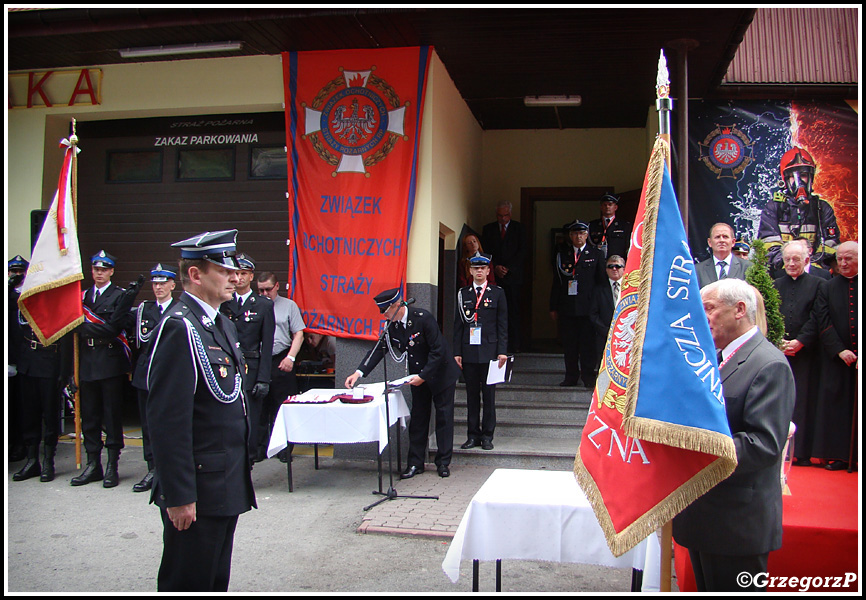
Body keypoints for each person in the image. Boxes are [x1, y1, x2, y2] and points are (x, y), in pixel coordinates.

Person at [146, 229, 256, 592]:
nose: (234, 277)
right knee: (188, 581)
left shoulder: (219, 322)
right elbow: (167, 421)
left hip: (225, 481)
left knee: (213, 581)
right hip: (198, 487)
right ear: (195, 275)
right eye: (224, 271)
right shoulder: (180, 327)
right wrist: (179, 496)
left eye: (235, 271)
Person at [672, 278, 795, 592]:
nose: (703, 317)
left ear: (740, 310)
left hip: (736, 525)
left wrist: (693, 446)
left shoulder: (768, 364)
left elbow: (764, 444)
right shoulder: (718, 357)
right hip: (708, 516)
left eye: (709, 309)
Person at [345, 288, 460, 478]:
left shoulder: (423, 318)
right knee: (418, 418)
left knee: (444, 418)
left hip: (440, 374)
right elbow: (378, 350)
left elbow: (437, 351)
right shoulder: (393, 327)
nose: (384, 315)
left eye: (385, 311)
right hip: (418, 378)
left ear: (397, 305)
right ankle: (415, 463)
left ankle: (443, 462)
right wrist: (358, 373)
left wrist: (423, 376)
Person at [72, 251, 141, 488]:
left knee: (111, 416)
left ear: (111, 271)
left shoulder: (120, 295)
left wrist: (81, 328)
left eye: (104, 270)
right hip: (87, 361)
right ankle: (93, 464)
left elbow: (113, 328)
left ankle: (112, 464)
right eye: (95, 269)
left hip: (110, 362)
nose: (99, 273)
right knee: (89, 416)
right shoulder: (81, 297)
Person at [129, 264, 179, 492]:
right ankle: (152, 468)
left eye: (163, 283)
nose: (158, 287)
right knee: (148, 425)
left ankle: (168, 467)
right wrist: (131, 293)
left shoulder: (179, 310)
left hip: (170, 376)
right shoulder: (143, 310)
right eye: (155, 283)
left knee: (169, 424)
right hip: (146, 374)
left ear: (172, 285)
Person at [220, 253, 274, 466]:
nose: (239, 278)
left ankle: (248, 461)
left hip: (251, 369)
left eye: (243, 273)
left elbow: (267, 345)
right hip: (227, 368)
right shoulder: (224, 302)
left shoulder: (263, 305)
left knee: (251, 419)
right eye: (235, 273)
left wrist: (264, 378)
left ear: (251, 276)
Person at [773, 242, 824, 466]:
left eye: (796, 259)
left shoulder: (819, 285)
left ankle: (802, 452)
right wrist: (779, 342)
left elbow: (817, 317)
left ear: (806, 260)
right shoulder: (775, 284)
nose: (791, 264)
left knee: (804, 400)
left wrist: (801, 341)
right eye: (788, 260)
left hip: (807, 353)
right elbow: (772, 315)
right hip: (780, 351)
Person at [810, 241, 858, 471]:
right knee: (838, 407)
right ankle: (840, 455)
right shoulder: (828, 288)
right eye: (840, 259)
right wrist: (840, 350)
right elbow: (823, 321)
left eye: (849, 258)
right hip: (838, 357)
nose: (844, 263)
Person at [453, 253, 508, 451]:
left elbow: (502, 324)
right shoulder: (463, 294)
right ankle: (472, 435)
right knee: (471, 396)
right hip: (468, 351)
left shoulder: (497, 293)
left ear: (487, 271)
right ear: (470, 270)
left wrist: (502, 351)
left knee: (489, 395)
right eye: (475, 268)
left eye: (482, 268)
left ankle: (487, 436)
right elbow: (458, 325)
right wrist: (457, 351)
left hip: (490, 351)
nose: (478, 271)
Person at [758, 146, 839, 274]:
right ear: (785, 180)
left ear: (811, 178)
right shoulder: (774, 207)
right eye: (792, 177)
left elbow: (830, 246)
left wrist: (809, 268)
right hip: (783, 274)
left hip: (814, 274)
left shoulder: (822, 209)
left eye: (803, 175)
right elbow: (770, 247)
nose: (799, 181)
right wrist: (792, 267)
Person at [255, 271, 305, 462]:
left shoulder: (288, 306)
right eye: (261, 290)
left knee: (282, 406)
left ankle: (284, 448)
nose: (265, 294)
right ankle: (260, 449)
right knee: (260, 407)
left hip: (280, 358)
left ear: (277, 286)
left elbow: (298, 333)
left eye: (268, 289)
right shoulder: (254, 306)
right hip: (259, 360)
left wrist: (291, 358)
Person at [549, 220, 605, 388]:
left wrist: (600, 307)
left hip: (588, 308)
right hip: (568, 307)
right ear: (570, 236)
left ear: (587, 235)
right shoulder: (562, 254)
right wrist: (553, 306)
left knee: (587, 345)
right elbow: (557, 282)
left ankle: (588, 376)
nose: (578, 236)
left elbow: (601, 283)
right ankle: (571, 376)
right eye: (574, 233)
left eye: (581, 233)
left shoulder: (596, 254)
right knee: (570, 345)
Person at [481, 201, 525, 353]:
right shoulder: (488, 229)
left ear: (510, 214)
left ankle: (514, 345)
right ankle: (494, 345)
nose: (503, 219)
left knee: (513, 311)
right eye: (500, 216)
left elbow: (522, 252)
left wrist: (509, 269)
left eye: (505, 215)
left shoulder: (519, 229)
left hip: (513, 278)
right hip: (494, 276)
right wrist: (495, 267)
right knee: (493, 311)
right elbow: (485, 251)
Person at [8, 255, 29, 463]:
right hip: (9, 358)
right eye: (13, 272)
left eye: (20, 272)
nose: (17, 275)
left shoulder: (29, 295)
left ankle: (21, 443)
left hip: (24, 358)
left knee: (22, 406)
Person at [589, 255, 625, 370]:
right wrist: (607, 331)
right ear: (606, 270)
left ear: (624, 268)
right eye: (610, 266)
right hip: (604, 336)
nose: (614, 269)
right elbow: (593, 314)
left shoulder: (630, 289)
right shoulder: (598, 290)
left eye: (618, 266)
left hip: (626, 336)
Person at [696, 223, 753, 289]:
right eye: (717, 237)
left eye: (725, 237)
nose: (721, 240)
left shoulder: (748, 268)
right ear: (710, 242)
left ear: (733, 242)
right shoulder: (698, 270)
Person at [588, 193, 632, 260]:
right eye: (605, 205)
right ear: (601, 207)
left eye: (610, 205)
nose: (607, 207)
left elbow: (628, 247)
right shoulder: (593, 225)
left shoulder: (624, 226)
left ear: (615, 207)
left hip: (617, 263)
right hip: (598, 262)